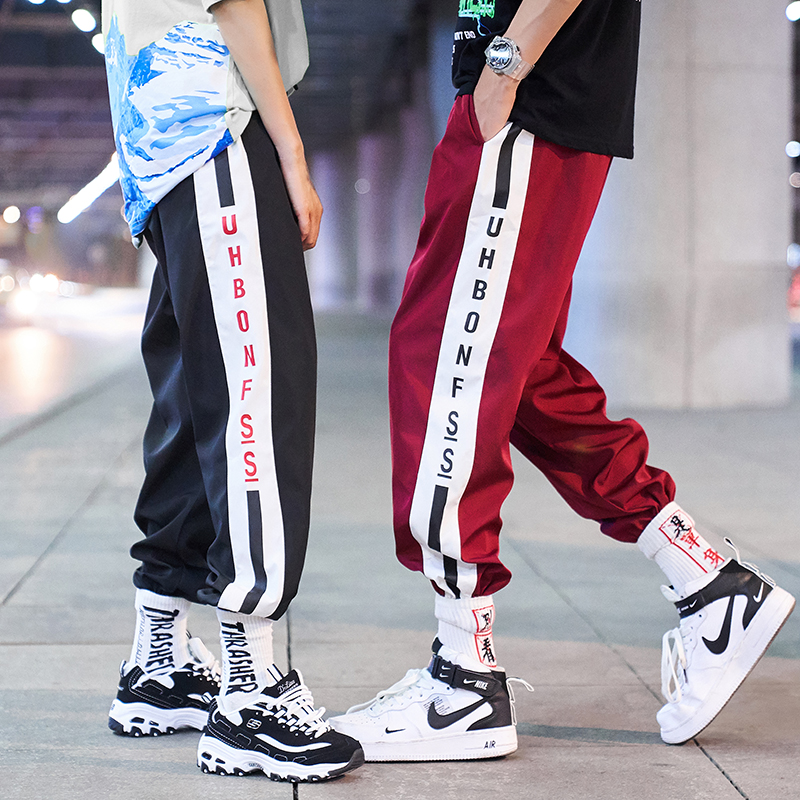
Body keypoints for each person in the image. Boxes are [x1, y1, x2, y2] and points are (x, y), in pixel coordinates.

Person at [328, 0, 796, 760]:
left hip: (528, 100)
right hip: (528, 101)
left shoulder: (515, 85)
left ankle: (464, 683)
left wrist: (504, 69)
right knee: (518, 371)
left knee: (445, 359)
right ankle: (709, 583)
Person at [101, 0, 363, 781]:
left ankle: (160, 662)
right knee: (257, 388)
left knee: (193, 396)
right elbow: (237, 5)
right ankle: (252, 695)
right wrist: (292, 153)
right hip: (219, 124)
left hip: (161, 140)